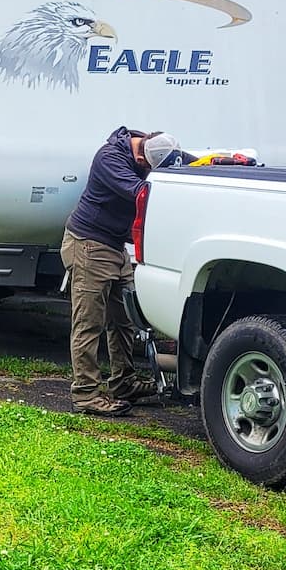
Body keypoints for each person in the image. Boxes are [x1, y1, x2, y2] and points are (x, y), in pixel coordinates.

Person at [61, 128, 187, 416]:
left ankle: (123, 382)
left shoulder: (151, 146)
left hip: (115, 246)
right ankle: (86, 394)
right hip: (89, 246)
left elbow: (184, 160)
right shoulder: (110, 159)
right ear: (142, 158)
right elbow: (142, 192)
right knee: (88, 323)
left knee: (124, 321)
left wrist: (219, 163)